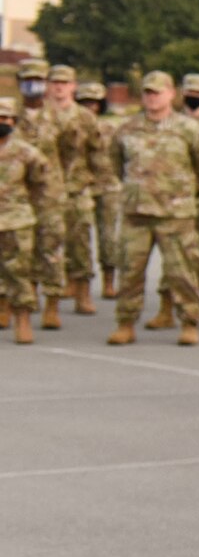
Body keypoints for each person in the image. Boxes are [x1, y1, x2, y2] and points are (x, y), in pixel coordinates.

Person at [104, 70, 199, 347]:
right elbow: (116, 163)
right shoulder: (127, 129)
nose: (152, 98)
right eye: (147, 92)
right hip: (137, 213)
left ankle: (190, 322)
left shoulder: (189, 129)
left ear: (171, 94)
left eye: (158, 92)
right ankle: (126, 323)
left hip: (176, 214)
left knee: (182, 272)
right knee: (130, 271)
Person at [42, 64, 108, 317]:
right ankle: (51, 301)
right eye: (55, 82)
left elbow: (97, 153)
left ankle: (82, 293)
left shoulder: (85, 117)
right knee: (47, 246)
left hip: (78, 189)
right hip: (47, 192)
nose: (59, 87)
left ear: (73, 86)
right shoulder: (39, 116)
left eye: (64, 82)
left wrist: (102, 184)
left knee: (80, 243)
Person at [0, 96, 63, 344]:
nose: (2, 123)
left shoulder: (26, 152)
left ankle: (23, 319)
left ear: (14, 122)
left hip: (17, 219)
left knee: (18, 270)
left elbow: (41, 182)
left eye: (6, 118)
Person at [11, 58, 66, 327]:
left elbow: (69, 153)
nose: (33, 85)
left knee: (50, 248)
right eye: (28, 80)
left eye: (38, 80)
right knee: (17, 251)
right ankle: (16, 300)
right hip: (15, 194)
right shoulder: (9, 116)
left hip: (49, 193)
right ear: (19, 83)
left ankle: (52, 303)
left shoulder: (59, 117)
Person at [77, 80, 122, 303]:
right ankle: (77, 281)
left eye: (94, 102)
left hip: (108, 185)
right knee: (79, 235)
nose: (90, 107)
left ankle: (109, 280)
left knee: (108, 236)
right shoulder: (72, 126)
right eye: (85, 102)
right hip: (82, 185)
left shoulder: (112, 127)